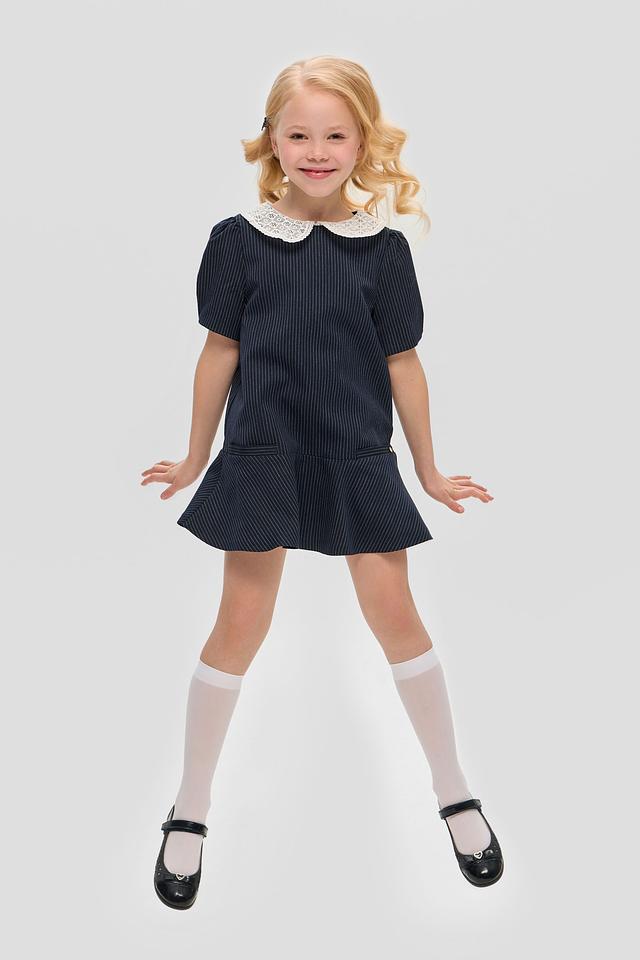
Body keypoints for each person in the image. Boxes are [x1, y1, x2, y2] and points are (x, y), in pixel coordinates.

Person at [142, 55, 504, 910]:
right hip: (261, 455)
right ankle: (189, 808)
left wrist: (427, 468)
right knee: (237, 625)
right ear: (272, 138)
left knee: (398, 621)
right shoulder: (236, 242)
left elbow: (403, 364)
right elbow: (219, 352)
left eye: (335, 135)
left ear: (363, 141)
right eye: (298, 134)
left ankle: (454, 791)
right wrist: (195, 455)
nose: (316, 151)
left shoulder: (383, 251)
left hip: (355, 458)